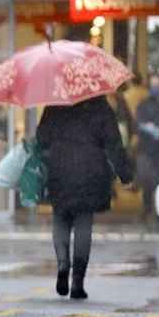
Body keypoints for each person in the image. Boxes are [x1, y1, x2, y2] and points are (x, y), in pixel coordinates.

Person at [36, 96, 133, 300]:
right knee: (83, 222)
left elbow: (41, 137)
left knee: (60, 217)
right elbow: (114, 141)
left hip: (60, 166)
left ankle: (63, 263)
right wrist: (126, 175)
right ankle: (78, 282)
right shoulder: (99, 103)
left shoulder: (55, 101)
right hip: (91, 168)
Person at [135, 74, 159, 221]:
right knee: (147, 179)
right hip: (146, 148)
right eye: (153, 84)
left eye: (158, 84)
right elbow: (138, 123)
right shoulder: (143, 105)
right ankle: (147, 206)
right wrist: (149, 128)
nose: (155, 87)